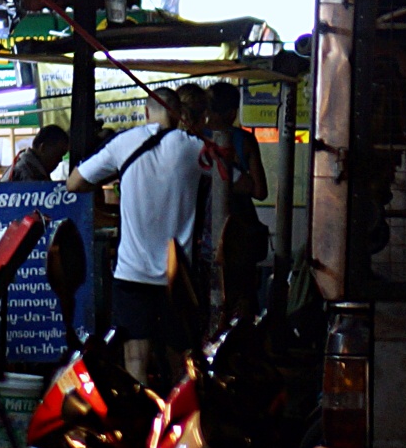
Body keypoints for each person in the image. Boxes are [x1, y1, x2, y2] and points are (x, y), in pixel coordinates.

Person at [67, 88, 206, 384]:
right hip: (176, 276)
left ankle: (142, 413)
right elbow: (241, 182)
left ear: (146, 112)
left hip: (132, 273)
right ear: (177, 114)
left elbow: (74, 183)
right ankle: (177, 412)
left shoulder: (125, 142)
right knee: (181, 363)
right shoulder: (194, 147)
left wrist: (117, 175)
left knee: (135, 359)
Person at [203, 82, 270, 321]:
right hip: (240, 234)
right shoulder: (244, 140)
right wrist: (240, 181)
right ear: (232, 112)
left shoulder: (196, 138)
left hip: (204, 234)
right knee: (242, 299)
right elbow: (260, 191)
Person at [8, 124, 72, 182]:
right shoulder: (26, 173)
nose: (60, 160)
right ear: (43, 148)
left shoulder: (31, 169)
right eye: (57, 154)